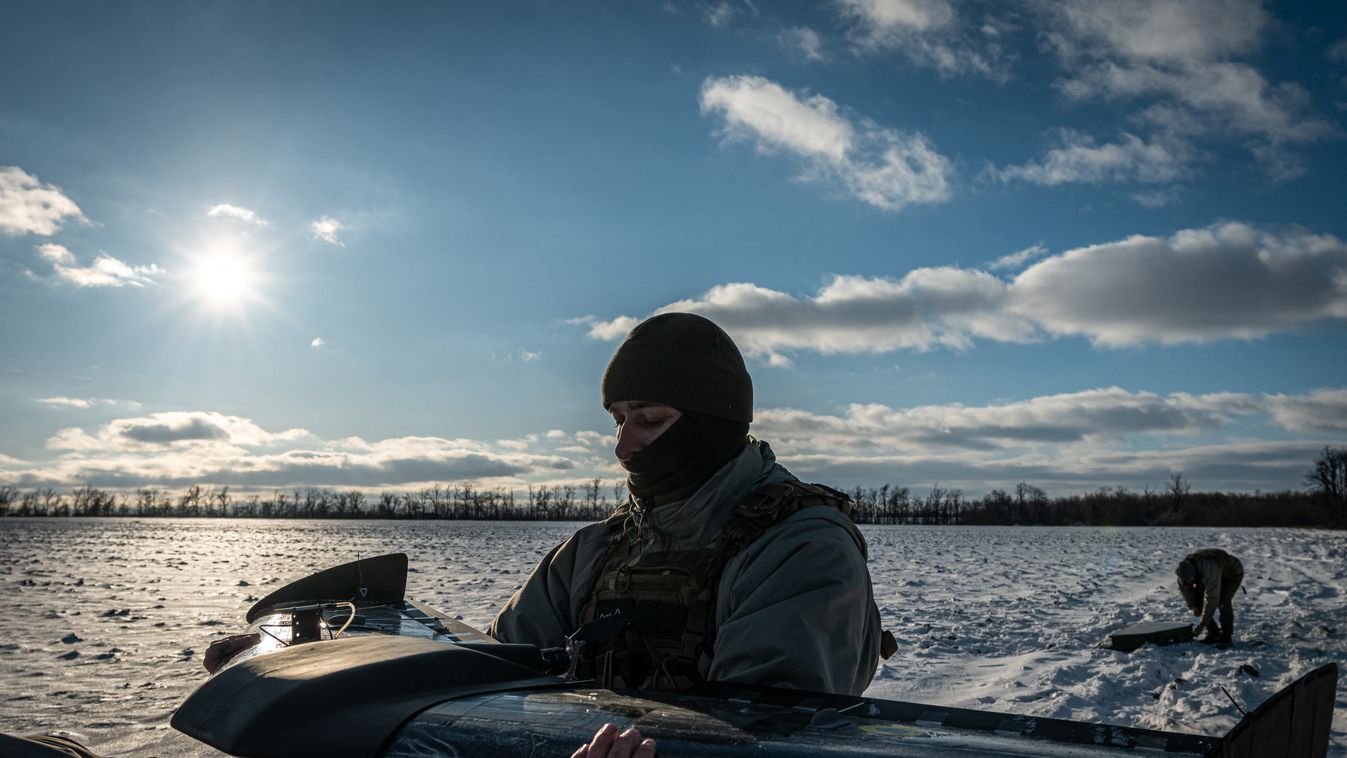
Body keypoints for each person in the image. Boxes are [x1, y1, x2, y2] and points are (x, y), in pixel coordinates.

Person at [489, 312, 884, 696]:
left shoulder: (802, 549)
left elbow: (763, 732)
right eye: (618, 419)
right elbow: (492, 675)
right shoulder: (589, 554)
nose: (623, 447)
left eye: (651, 419)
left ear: (711, 424)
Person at [1175, 548, 1244, 648]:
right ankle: (1214, 633)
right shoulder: (1183, 572)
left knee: (1222, 601)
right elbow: (1185, 590)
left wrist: (1202, 624)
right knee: (1197, 599)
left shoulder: (1209, 568)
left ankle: (1226, 636)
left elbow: (1212, 598)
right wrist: (1192, 605)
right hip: (1208, 575)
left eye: (1190, 581)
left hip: (1231, 574)